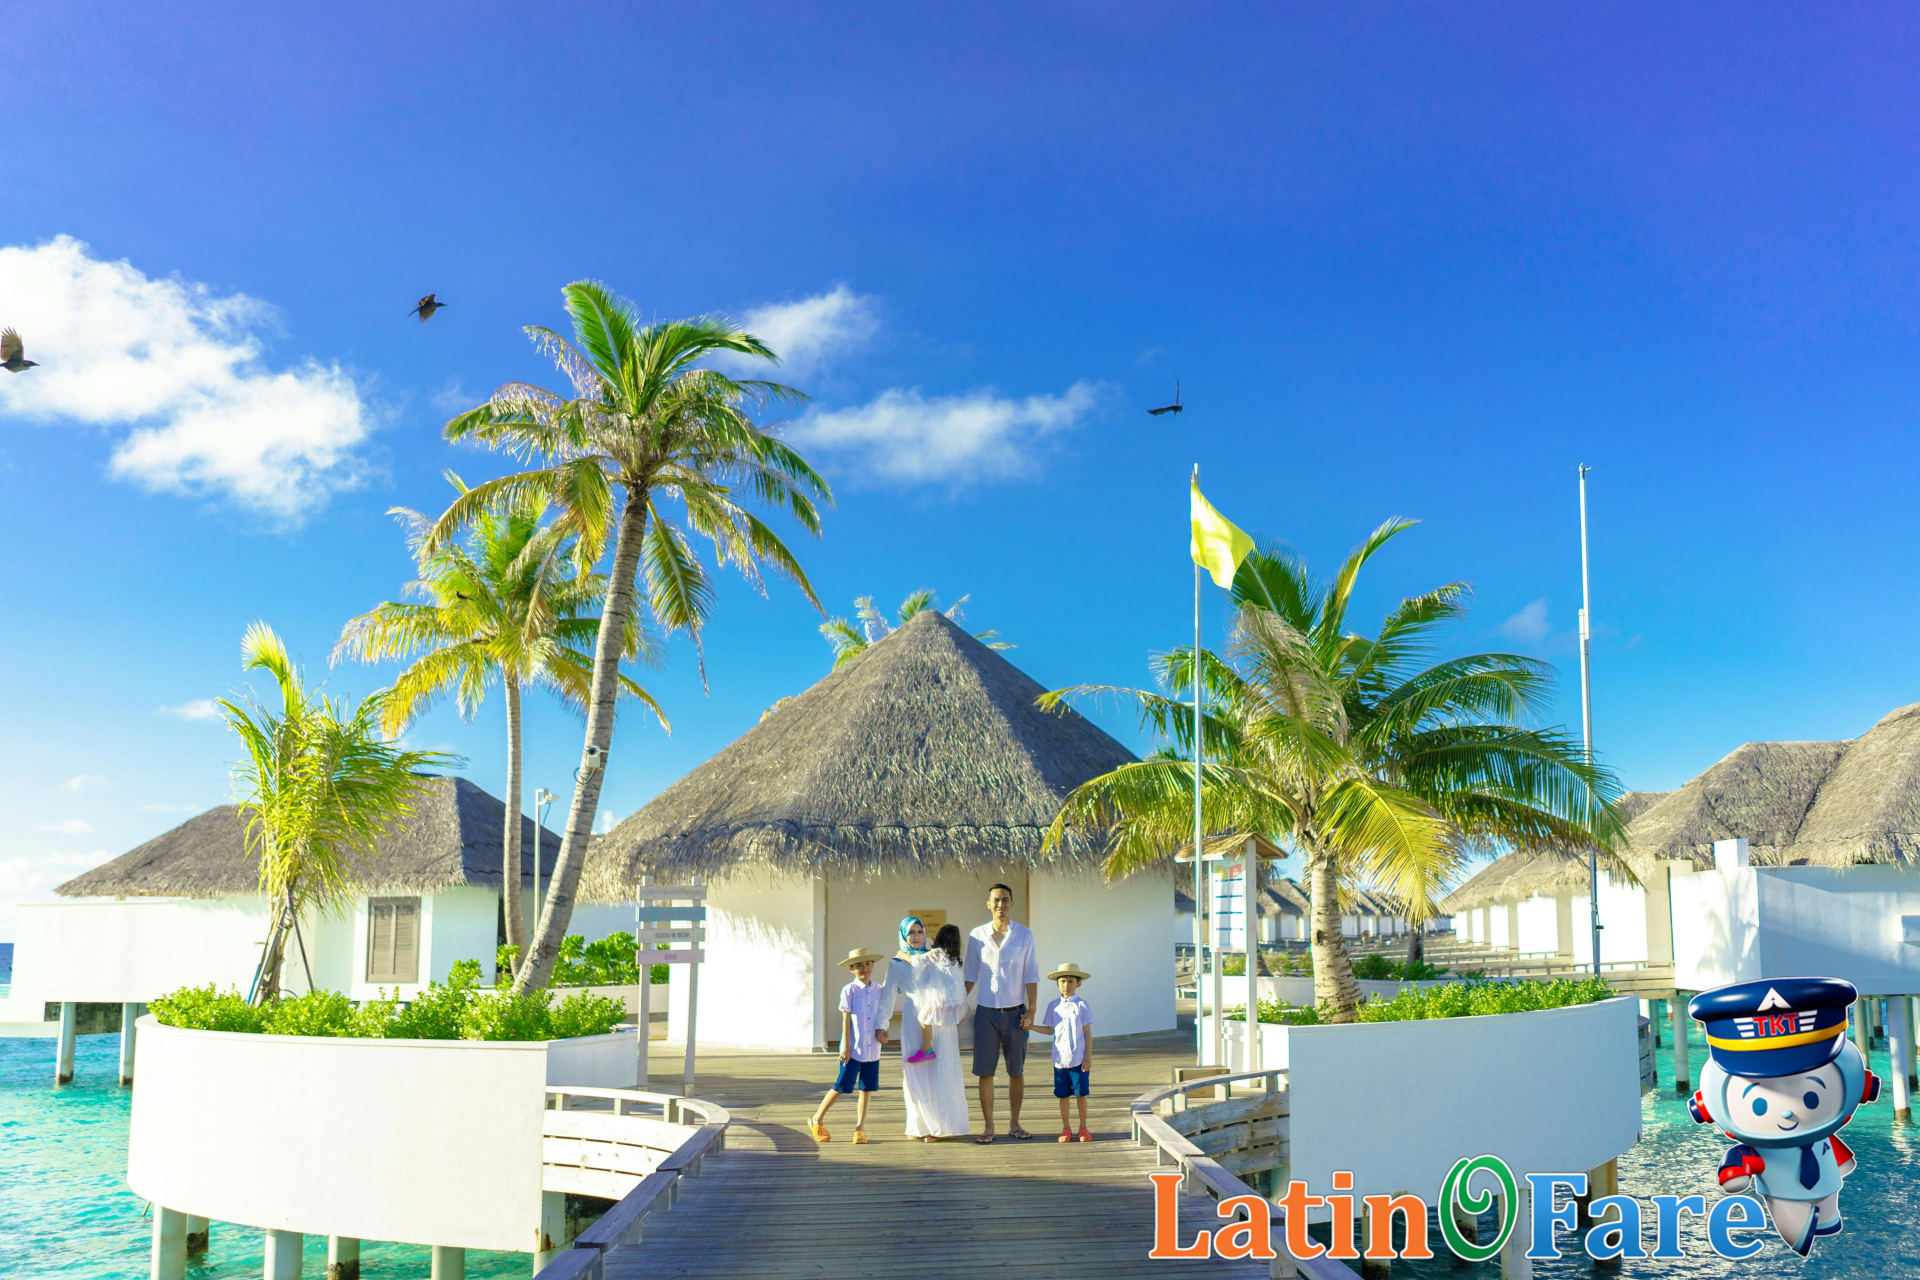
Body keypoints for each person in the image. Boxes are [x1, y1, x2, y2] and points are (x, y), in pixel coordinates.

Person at [963, 882, 1039, 1143]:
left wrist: (1031, 1010)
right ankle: (988, 1126)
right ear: (988, 904)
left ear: (1012, 903)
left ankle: (1015, 1123)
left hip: (1016, 1013)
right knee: (985, 1072)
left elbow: (1031, 975)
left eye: (1005, 900)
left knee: (1015, 1071)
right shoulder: (976, 936)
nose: (1000, 905)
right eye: (995, 900)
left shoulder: (1024, 936)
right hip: (985, 1014)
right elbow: (970, 976)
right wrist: (954, 1003)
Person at [893, 921, 972, 1140]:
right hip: (948, 1011)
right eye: (912, 933)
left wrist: (902, 953)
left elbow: (916, 960)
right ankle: (930, 1125)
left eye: (921, 932)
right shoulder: (954, 959)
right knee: (939, 1070)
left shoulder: (935, 955)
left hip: (935, 1008)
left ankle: (935, 1126)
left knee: (925, 1022)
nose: (918, 936)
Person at [808, 947, 891, 1145]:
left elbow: (883, 1014)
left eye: (867, 964)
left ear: (872, 965)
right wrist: (845, 1045)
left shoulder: (880, 990)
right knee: (841, 1086)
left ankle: (859, 1129)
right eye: (858, 966)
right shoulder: (849, 990)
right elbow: (846, 1019)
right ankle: (816, 1119)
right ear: (851, 969)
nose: (864, 968)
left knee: (866, 1089)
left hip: (873, 1049)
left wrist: (884, 1031)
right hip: (853, 1049)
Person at [1034, 962, 1094, 1143]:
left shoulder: (1082, 1005)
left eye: (1070, 981)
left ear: (1078, 984)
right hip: (1060, 1059)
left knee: (1081, 1094)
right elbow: (1049, 1030)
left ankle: (1083, 1127)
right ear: (1057, 984)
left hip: (1079, 1059)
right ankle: (1065, 1127)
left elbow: (1087, 1032)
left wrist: (1088, 1057)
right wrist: (1032, 1027)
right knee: (1062, 1095)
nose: (1066, 985)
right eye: (1062, 981)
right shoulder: (1053, 1006)